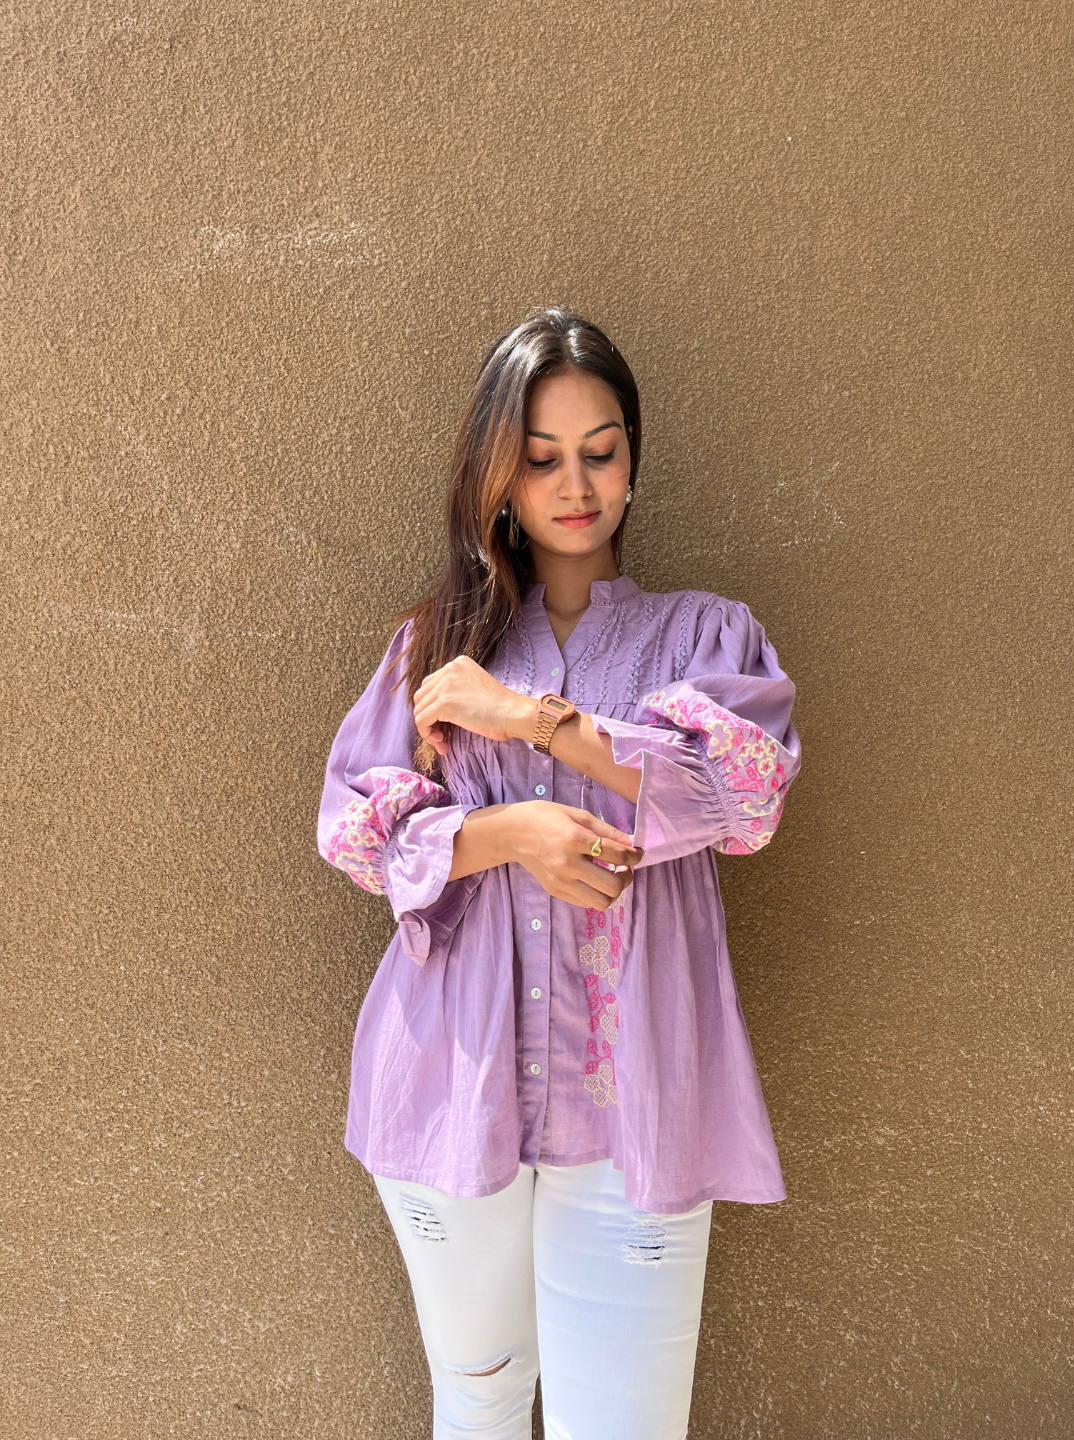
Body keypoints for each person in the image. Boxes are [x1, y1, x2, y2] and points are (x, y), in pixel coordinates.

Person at [316, 308, 801, 1440]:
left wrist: (524, 719)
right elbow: (358, 830)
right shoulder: (436, 643)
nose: (575, 484)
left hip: (635, 1104)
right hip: (447, 1089)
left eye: (601, 449)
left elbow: (737, 800)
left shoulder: (707, 638)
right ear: (499, 472)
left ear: (634, 458)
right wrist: (514, 830)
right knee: (478, 1408)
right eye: (540, 457)